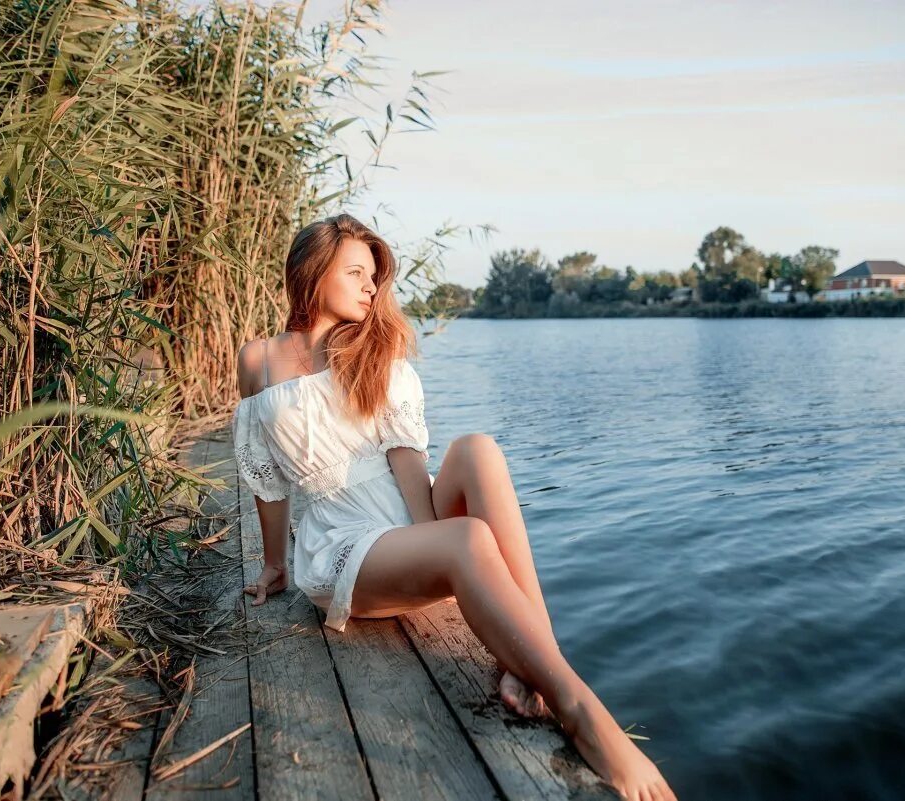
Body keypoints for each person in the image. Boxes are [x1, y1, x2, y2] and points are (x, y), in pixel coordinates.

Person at [231, 213, 677, 801]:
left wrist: (431, 536)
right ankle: (581, 710)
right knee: (467, 539)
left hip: (406, 530)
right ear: (313, 274)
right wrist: (273, 564)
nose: (372, 287)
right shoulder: (257, 360)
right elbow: (268, 480)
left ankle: (540, 657)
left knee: (477, 450)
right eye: (357, 272)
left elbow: (408, 463)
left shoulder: (378, 357)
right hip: (342, 548)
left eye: (375, 276)